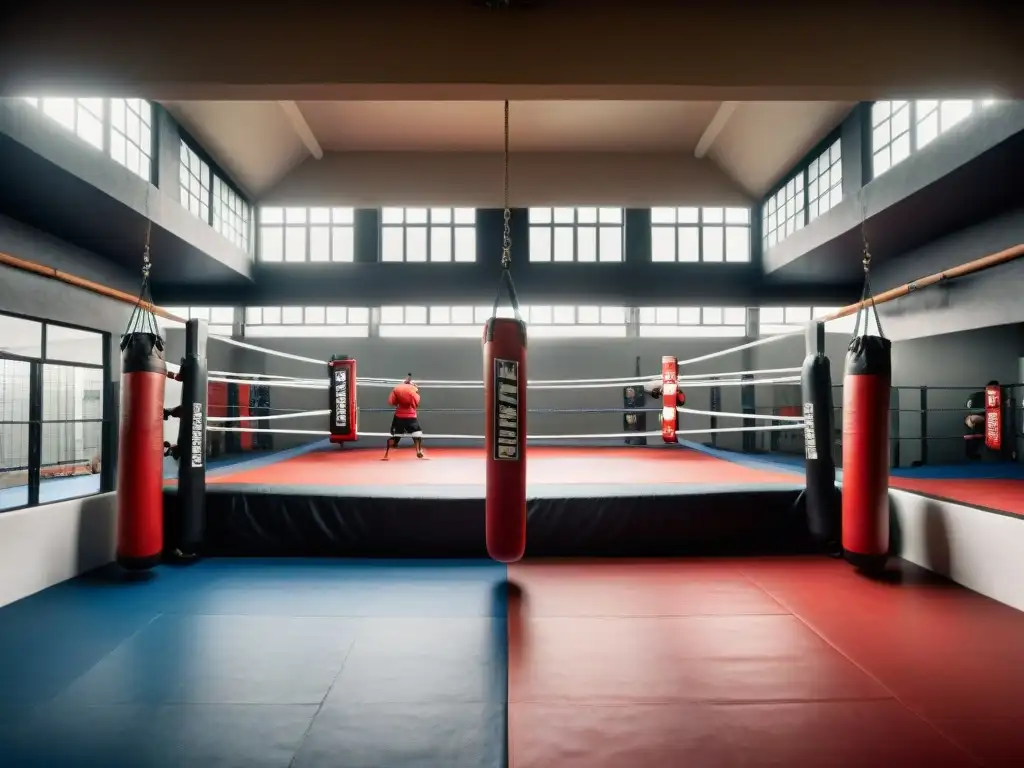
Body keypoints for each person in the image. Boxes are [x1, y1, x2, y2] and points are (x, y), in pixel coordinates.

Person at [383, 373, 425, 460]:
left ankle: (392, 447)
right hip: (411, 416)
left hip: (399, 415)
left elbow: (392, 402)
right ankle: (418, 451)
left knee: (395, 433)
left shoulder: (397, 388)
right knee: (417, 434)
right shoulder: (413, 389)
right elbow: (416, 402)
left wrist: (399, 402)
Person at [963, 381, 998, 460]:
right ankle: (971, 453)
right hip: (976, 417)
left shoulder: (997, 397)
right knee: (971, 422)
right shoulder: (977, 396)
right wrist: (969, 418)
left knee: (973, 422)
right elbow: (968, 410)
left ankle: (973, 453)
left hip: (989, 419)